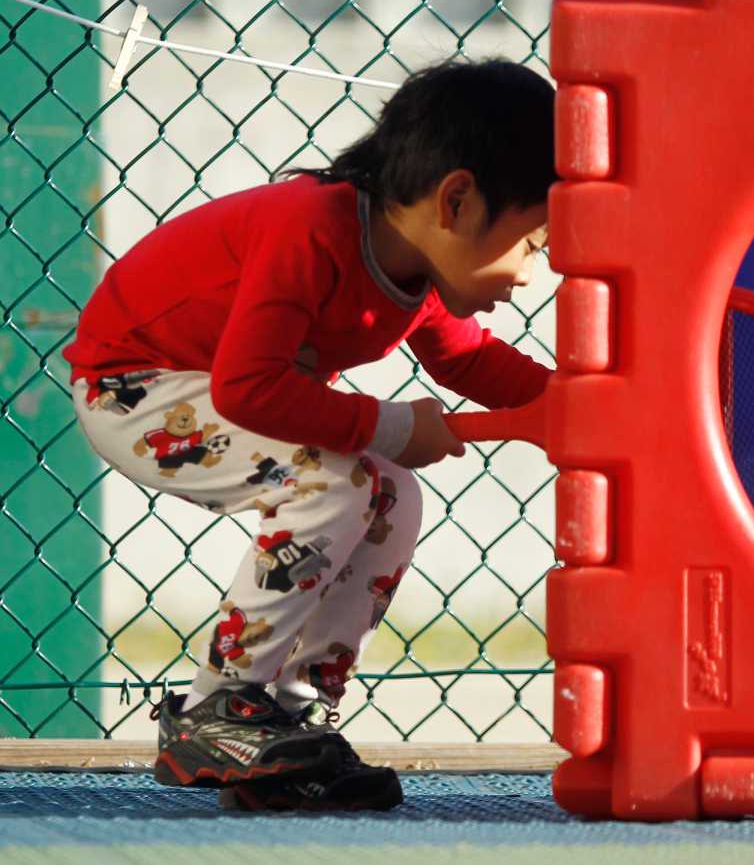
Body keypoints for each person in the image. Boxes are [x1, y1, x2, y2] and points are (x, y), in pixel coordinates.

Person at [65, 58, 556, 810]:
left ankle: (286, 728)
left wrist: (576, 403)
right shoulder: (312, 231)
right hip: (135, 385)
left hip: (210, 392)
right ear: (457, 201)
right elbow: (249, 388)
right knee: (340, 481)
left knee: (393, 496)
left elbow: (471, 360)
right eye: (533, 243)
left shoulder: (415, 272)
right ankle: (217, 709)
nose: (530, 274)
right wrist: (391, 426)